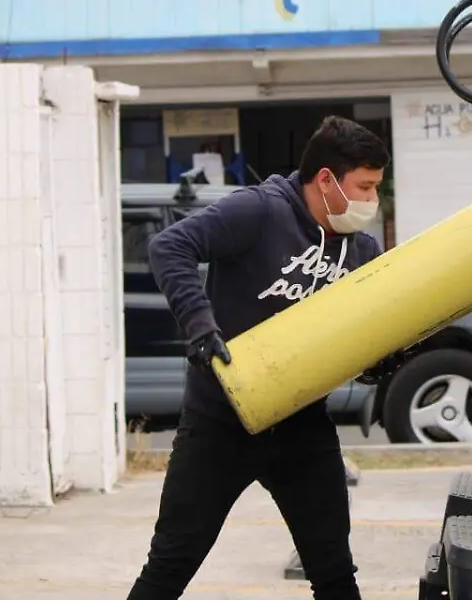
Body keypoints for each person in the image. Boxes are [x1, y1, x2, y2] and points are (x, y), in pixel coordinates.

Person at [125, 115, 390, 600]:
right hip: (219, 423)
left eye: (376, 188)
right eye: (365, 187)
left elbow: (368, 331)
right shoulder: (260, 211)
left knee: (334, 574)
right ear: (326, 180)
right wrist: (200, 325)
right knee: (169, 567)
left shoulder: (361, 251)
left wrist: (380, 362)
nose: (372, 201)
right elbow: (170, 246)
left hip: (302, 427)